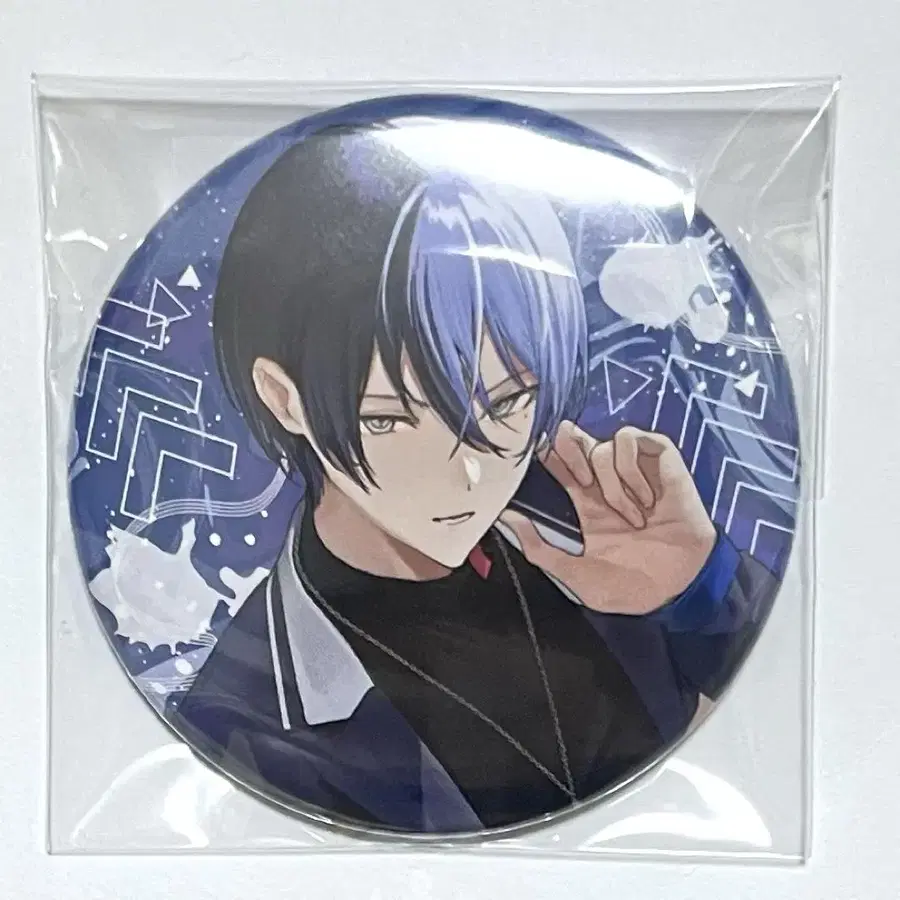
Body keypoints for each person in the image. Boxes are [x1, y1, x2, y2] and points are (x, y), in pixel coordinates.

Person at [170, 120, 775, 834]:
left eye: (509, 402)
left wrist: (701, 589)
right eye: (390, 419)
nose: (468, 472)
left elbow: (804, 739)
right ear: (284, 399)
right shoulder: (243, 721)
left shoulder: (600, 525)